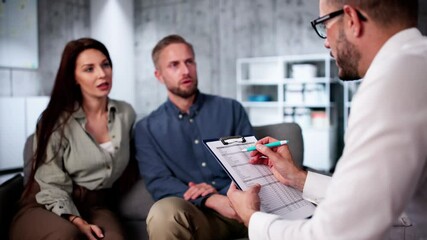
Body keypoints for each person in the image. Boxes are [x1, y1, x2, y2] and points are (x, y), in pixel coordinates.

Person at [227, 0, 427, 239]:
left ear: (351, 19)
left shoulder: (393, 81)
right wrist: (299, 178)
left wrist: (252, 218)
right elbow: (387, 200)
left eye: (324, 23)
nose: (325, 41)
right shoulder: (416, 63)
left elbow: (335, 235)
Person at [10, 38, 136, 240]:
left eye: (105, 64)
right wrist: (76, 220)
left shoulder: (126, 113)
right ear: (74, 77)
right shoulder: (55, 121)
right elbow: (50, 183)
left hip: (96, 204)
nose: (102, 74)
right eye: (89, 69)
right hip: (47, 202)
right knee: (66, 235)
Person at [134, 34, 253, 240]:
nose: (185, 71)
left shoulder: (231, 109)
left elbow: (250, 164)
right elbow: (159, 181)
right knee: (162, 213)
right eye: (174, 65)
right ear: (159, 75)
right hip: (197, 216)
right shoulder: (147, 128)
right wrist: (210, 198)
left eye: (189, 62)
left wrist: (223, 191)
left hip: (246, 207)